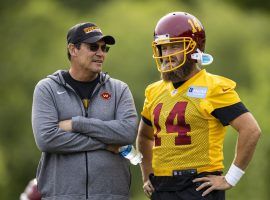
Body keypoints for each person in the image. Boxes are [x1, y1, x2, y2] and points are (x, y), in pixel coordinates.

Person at [136, 12, 261, 200]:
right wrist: (147, 175)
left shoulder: (213, 87)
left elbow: (251, 130)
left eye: (175, 47)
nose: (168, 55)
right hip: (162, 187)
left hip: (198, 186)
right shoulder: (153, 91)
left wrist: (230, 178)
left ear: (194, 48)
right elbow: (145, 136)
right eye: (164, 48)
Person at [32, 22, 138, 200]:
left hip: (112, 196)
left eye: (104, 48)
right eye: (93, 47)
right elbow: (47, 139)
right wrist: (106, 144)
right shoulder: (47, 88)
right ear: (73, 50)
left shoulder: (119, 89)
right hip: (61, 196)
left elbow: (127, 133)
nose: (100, 53)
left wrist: (76, 123)